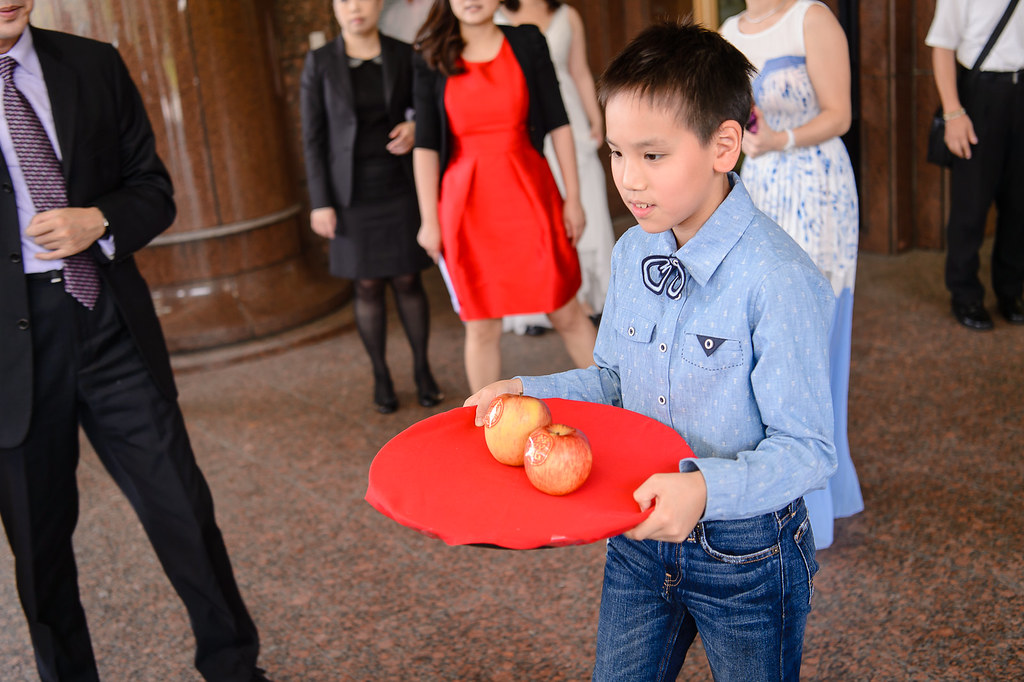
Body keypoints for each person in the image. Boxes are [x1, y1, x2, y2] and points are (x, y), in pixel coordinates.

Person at [466, 20, 837, 679]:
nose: (628, 179)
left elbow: (807, 451)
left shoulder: (777, 279)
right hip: (636, 537)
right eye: (615, 153)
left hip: (747, 555)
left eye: (653, 156)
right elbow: (613, 380)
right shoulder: (635, 247)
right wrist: (531, 391)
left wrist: (703, 492)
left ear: (726, 145)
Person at [0, 4, 268, 681]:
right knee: (39, 549)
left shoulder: (93, 64)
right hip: (9, 350)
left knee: (183, 507)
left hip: (107, 320)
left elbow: (152, 189)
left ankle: (235, 666)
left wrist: (99, 219)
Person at [719, 0, 863, 549]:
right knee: (765, 336)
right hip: (758, 186)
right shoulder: (730, 30)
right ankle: (775, 486)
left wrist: (778, 139)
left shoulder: (812, 17)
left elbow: (839, 115)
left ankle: (816, 496)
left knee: (811, 334)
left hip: (815, 182)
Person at [411, 0, 597, 392]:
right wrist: (429, 220)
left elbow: (558, 122)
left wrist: (573, 197)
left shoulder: (528, 41)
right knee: (480, 325)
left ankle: (624, 405)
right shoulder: (431, 54)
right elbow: (425, 145)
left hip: (530, 192)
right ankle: (487, 426)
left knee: (566, 310)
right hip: (465, 205)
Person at [302, 0, 442, 414]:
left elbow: (429, 107)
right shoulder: (320, 62)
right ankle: (380, 375)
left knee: (407, 281)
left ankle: (423, 370)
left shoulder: (404, 53)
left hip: (399, 187)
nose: (355, 7)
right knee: (365, 286)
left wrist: (418, 126)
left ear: (379, 4)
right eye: (344, 0)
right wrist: (320, 202)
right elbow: (312, 137)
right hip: (350, 196)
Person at [495, 0, 616, 335]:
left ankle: (592, 298)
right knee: (539, 218)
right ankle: (538, 308)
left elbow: (578, 71)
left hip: (571, 120)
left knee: (586, 204)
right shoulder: (494, 15)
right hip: (525, 122)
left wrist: (596, 118)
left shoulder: (568, 15)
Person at [925, 0, 1024, 329]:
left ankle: (1011, 292)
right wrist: (953, 112)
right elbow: (942, 47)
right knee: (971, 205)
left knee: (1019, 204)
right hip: (981, 93)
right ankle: (965, 295)